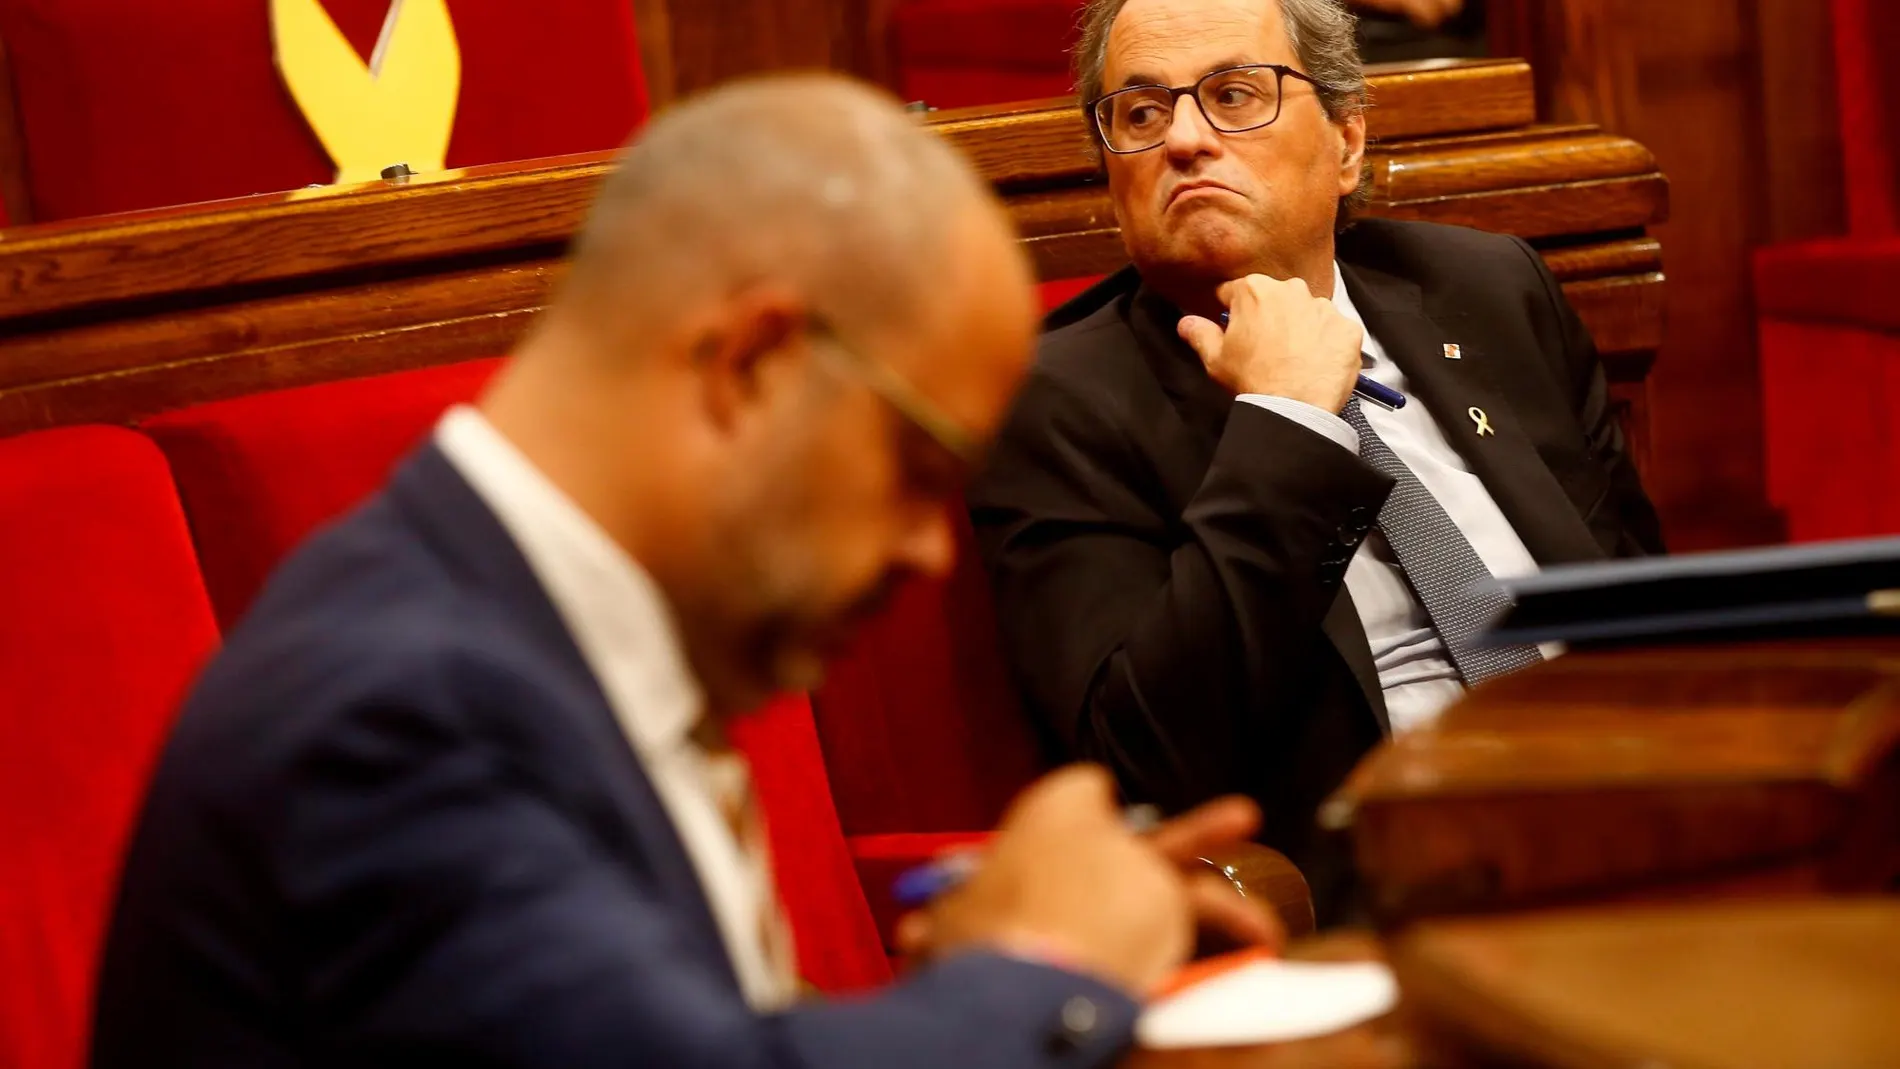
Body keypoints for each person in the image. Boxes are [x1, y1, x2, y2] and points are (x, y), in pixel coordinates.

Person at [89, 75, 1281, 1067]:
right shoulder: (394, 711)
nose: (931, 546)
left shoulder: (523, 627)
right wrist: (1044, 967)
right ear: (753, 363)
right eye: (919, 464)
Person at [966, 0, 1664, 919]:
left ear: (1346, 143)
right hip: (1388, 891)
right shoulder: (1058, 401)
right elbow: (1147, 761)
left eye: (1234, 94)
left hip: (1641, 821)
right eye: (1139, 113)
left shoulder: (1489, 292)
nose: (1183, 139)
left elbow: (1640, 608)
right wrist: (1288, 426)